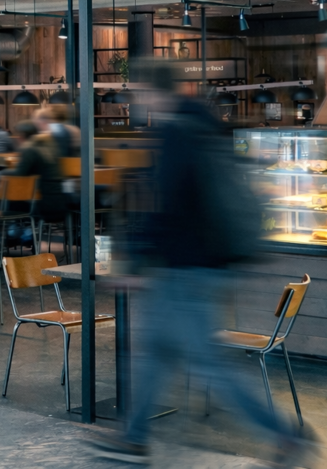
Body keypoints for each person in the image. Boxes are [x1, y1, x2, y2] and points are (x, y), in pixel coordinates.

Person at [88, 62, 314, 466]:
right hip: (207, 263)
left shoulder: (175, 131)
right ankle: (135, 436)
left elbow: (167, 204)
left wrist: (134, 263)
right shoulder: (207, 125)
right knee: (156, 353)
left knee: (207, 364)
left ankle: (284, 435)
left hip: (184, 268)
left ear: (152, 93)